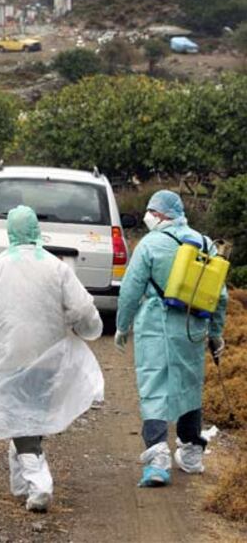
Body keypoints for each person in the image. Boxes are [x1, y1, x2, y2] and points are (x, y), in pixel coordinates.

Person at [0, 205, 103, 511]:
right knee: (29, 414)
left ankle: (39, 484)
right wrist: (90, 330)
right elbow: (82, 309)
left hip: (8, 355)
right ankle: (22, 483)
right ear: (37, 229)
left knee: (19, 416)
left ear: (9, 232)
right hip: (48, 355)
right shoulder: (57, 267)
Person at [114, 191, 227, 487]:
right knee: (189, 386)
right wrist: (216, 334)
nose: (147, 216)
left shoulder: (150, 244)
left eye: (151, 211)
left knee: (154, 386)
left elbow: (130, 289)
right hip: (193, 328)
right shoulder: (204, 243)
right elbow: (221, 295)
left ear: (161, 215)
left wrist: (122, 326)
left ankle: (158, 457)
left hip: (156, 325)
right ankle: (191, 454)